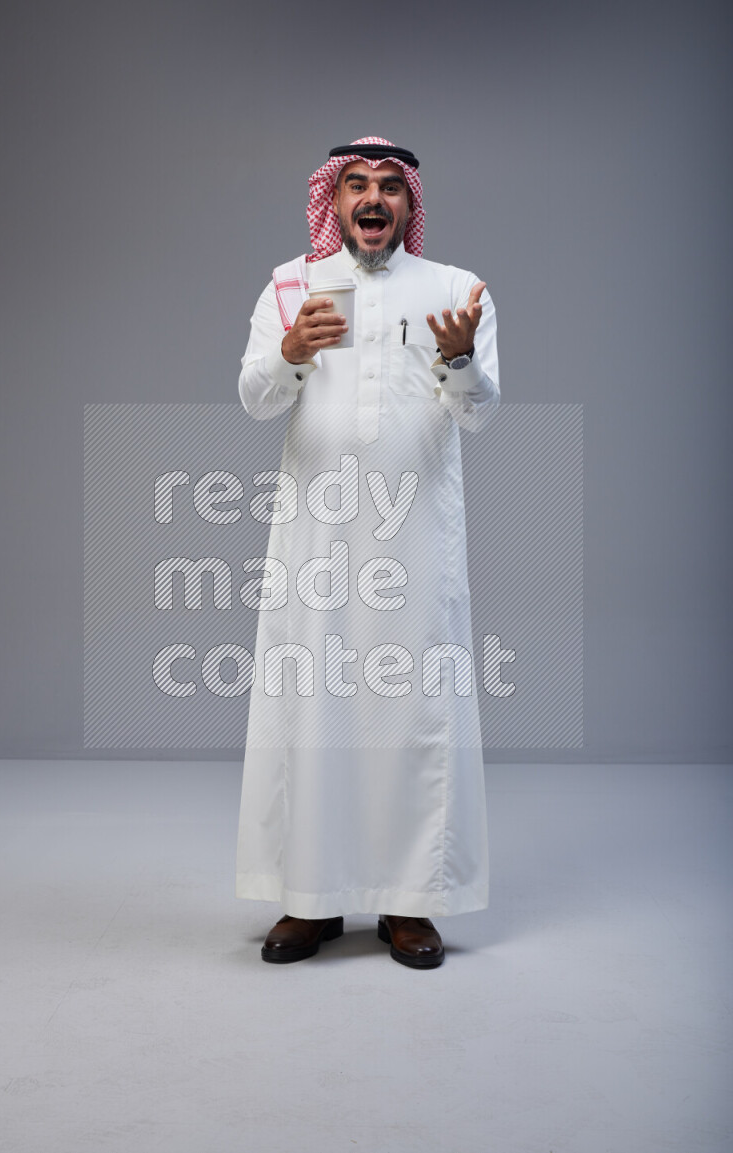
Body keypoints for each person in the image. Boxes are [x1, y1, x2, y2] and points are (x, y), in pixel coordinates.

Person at [234, 137, 500, 969]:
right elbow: (253, 398)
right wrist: (290, 353)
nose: (372, 198)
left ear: (410, 205)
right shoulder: (291, 284)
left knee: (412, 711)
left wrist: (459, 357)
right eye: (355, 185)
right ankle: (310, 899)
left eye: (389, 186)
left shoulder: (456, 290)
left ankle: (409, 902)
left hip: (417, 541)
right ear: (335, 201)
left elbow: (480, 413)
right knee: (311, 710)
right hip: (317, 540)